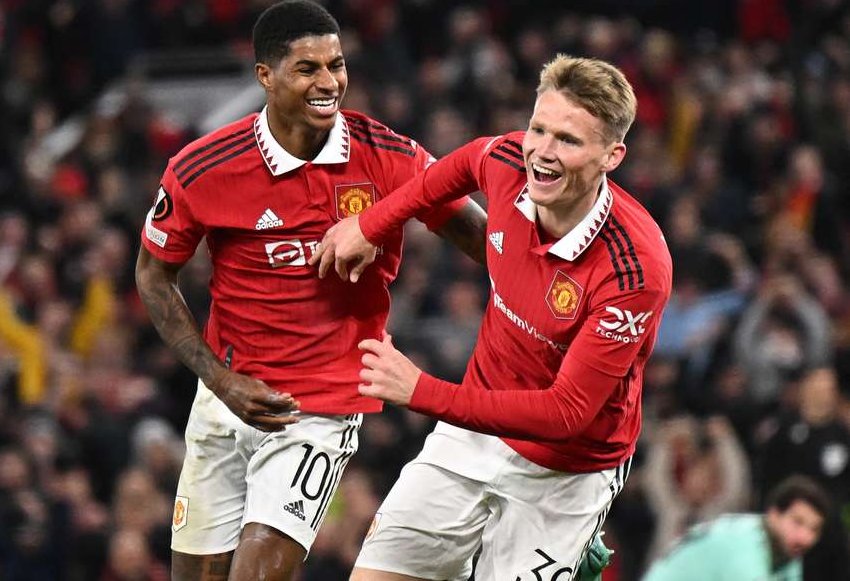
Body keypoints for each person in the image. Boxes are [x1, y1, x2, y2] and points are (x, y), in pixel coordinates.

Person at [134, 0, 486, 581]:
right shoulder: (205, 168)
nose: (329, 82)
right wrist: (218, 380)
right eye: (308, 69)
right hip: (226, 398)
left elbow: (485, 241)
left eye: (337, 64)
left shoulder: (388, 158)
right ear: (265, 77)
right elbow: (152, 273)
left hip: (319, 409)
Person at [312, 54, 673, 580]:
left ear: (611, 156)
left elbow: (565, 413)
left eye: (568, 141)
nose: (542, 154)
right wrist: (370, 225)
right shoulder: (506, 161)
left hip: (569, 469)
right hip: (474, 433)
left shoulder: (635, 269)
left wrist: (421, 391)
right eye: (538, 129)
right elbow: (442, 176)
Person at [642, 476, 829, 580]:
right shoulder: (743, 546)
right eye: (798, 522)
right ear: (774, 514)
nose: (805, 537)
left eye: (814, 529)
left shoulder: (788, 552)